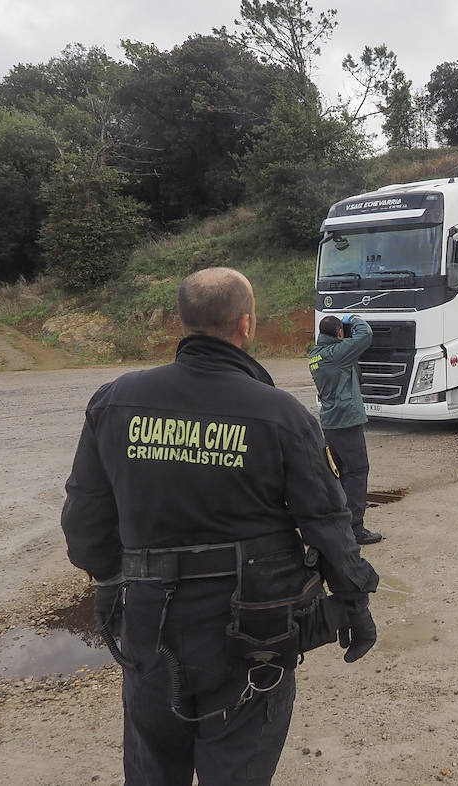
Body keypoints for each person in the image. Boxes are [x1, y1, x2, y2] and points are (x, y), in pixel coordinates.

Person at [61, 267, 379, 786]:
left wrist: (109, 580)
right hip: (251, 635)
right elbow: (326, 521)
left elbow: (85, 520)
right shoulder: (279, 415)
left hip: (148, 626)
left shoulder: (115, 402)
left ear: (180, 324)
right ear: (247, 325)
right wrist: (354, 599)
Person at [309, 313, 381, 545]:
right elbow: (366, 335)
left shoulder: (315, 356)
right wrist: (354, 318)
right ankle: (355, 528)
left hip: (330, 423)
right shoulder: (338, 354)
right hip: (346, 422)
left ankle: (339, 523)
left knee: (337, 474)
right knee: (358, 472)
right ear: (339, 332)